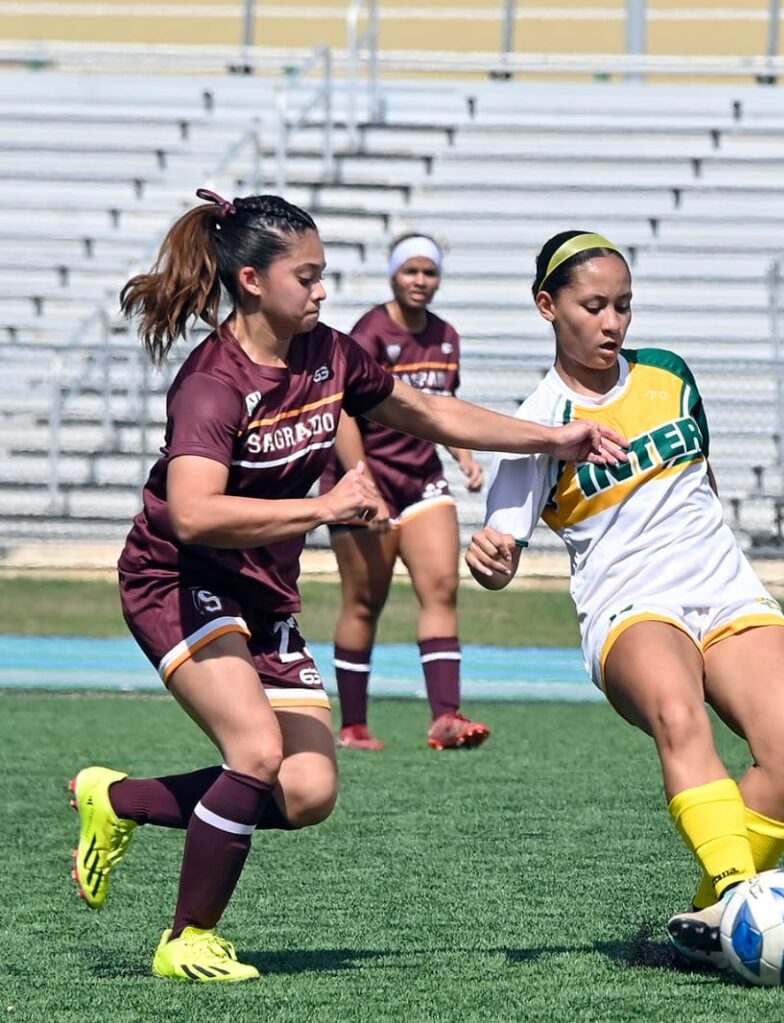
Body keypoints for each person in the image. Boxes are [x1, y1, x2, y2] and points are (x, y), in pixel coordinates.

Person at [69, 190, 624, 983]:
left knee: (307, 789)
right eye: (308, 275)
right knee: (257, 751)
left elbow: (427, 410)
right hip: (178, 580)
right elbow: (191, 514)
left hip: (261, 594)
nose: (323, 290)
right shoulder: (214, 382)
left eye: (324, 274)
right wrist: (324, 505)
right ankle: (186, 937)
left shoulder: (328, 353)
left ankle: (117, 800)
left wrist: (554, 434)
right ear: (254, 281)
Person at [465, 230, 784, 969]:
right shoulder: (538, 423)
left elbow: (703, 479)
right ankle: (740, 890)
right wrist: (491, 557)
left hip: (723, 587)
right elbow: (498, 556)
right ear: (547, 306)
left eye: (623, 306)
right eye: (593, 306)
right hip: (629, 605)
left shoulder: (668, 373)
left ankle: (711, 924)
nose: (612, 323)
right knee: (678, 711)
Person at [319, 234, 491, 752]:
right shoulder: (370, 332)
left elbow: (442, 405)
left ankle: (446, 717)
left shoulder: (445, 336)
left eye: (429, 273)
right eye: (411, 271)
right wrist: (363, 484)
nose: (420, 281)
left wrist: (462, 456)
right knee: (365, 601)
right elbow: (342, 410)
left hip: (421, 478)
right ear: (394, 274)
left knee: (441, 586)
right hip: (364, 476)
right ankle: (353, 726)